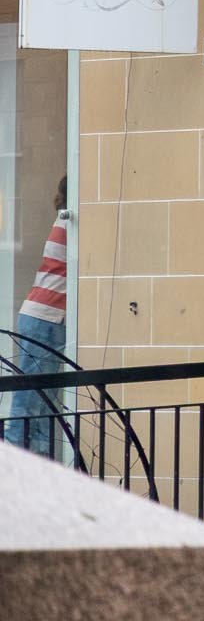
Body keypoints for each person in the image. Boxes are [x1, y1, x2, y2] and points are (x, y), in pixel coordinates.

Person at [2, 178, 71, 454]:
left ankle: (33, 469)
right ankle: (15, 467)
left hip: (44, 317)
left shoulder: (65, 221)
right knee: (31, 402)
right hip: (46, 319)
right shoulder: (70, 225)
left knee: (39, 405)